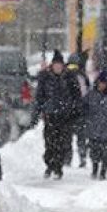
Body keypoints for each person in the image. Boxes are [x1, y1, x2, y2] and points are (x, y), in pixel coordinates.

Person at [34, 50, 81, 179]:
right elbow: (39, 96)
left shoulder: (69, 78)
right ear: (52, 65)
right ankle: (49, 165)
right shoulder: (45, 77)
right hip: (50, 116)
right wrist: (39, 111)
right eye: (56, 64)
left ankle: (58, 168)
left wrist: (74, 111)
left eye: (60, 65)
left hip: (65, 117)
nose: (58, 67)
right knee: (50, 143)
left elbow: (76, 96)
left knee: (62, 144)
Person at [65, 52, 90, 168]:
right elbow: (86, 94)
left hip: (68, 112)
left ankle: (68, 159)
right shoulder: (82, 76)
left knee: (68, 137)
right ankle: (82, 158)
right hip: (79, 111)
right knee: (81, 138)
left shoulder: (64, 76)